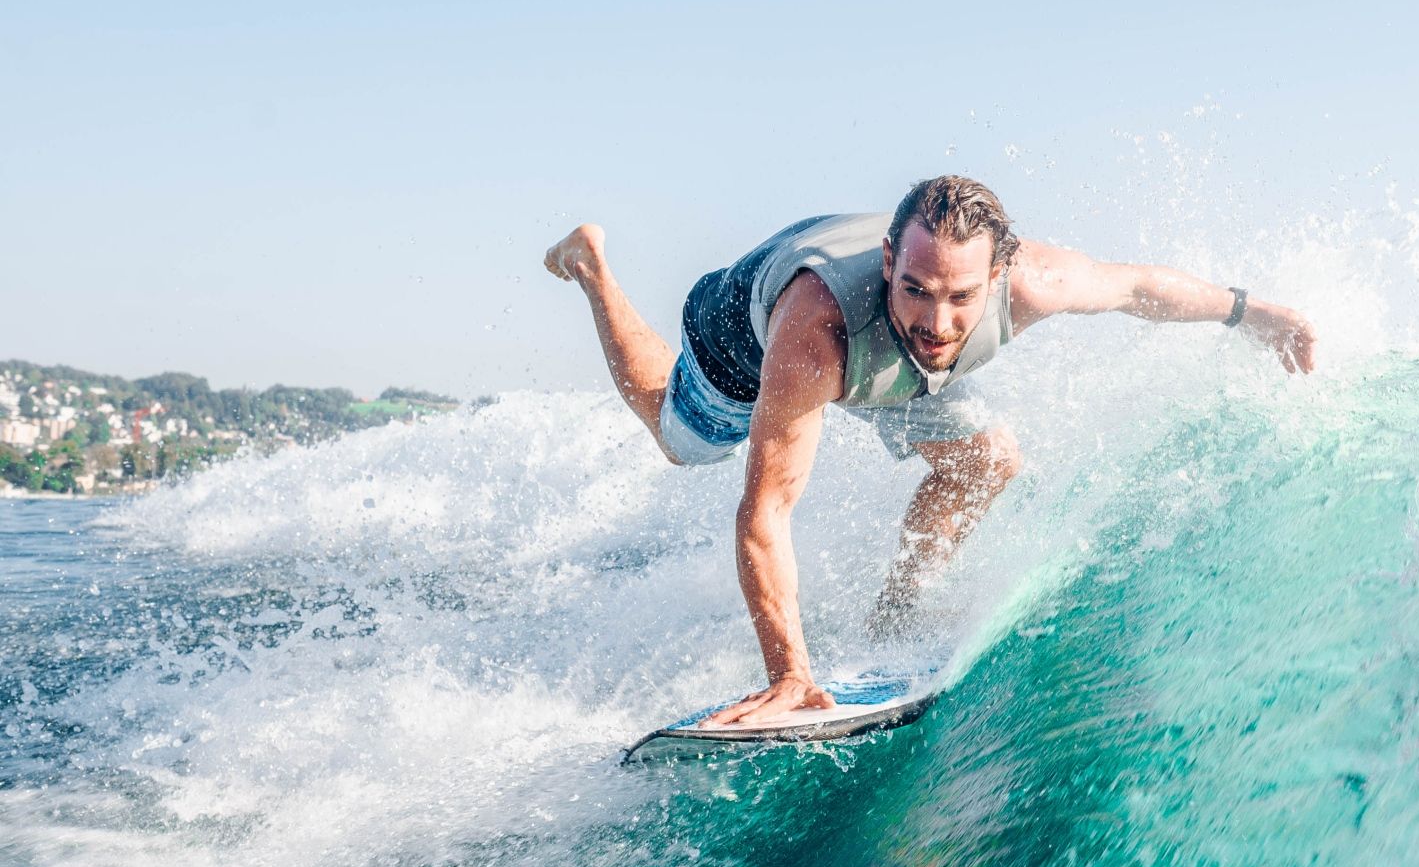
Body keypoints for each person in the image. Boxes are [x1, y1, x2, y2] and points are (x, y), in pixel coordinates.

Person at [544, 175, 1316, 726]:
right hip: (745, 333)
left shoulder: (1029, 283)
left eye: (959, 296)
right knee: (679, 439)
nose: (938, 321)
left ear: (1000, 275)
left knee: (990, 458)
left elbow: (1138, 286)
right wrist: (790, 677)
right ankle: (593, 267)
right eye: (915, 288)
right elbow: (766, 512)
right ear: (889, 263)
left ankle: (896, 613)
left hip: (885, 364)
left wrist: (1251, 314)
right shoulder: (813, 334)